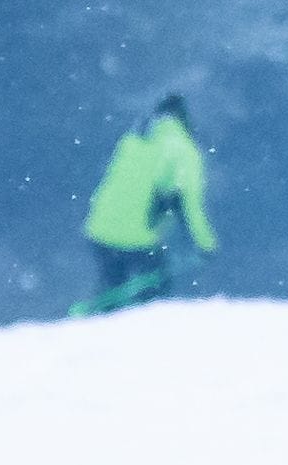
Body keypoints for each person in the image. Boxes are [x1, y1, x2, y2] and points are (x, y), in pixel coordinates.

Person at [78, 93, 218, 311]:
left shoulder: (133, 140)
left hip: (99, 230)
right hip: (139, 237)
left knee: (113, 290)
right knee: (154, 292)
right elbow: (190, 204)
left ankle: (98, 323)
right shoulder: (183, 150)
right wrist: (205, 244)